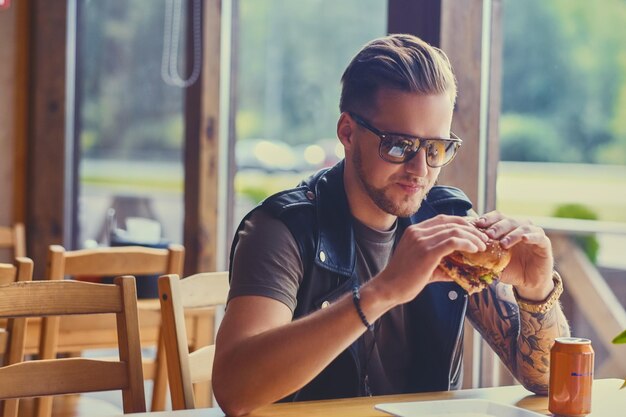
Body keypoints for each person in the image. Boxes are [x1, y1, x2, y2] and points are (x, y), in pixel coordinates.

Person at [213, 34, 570, 416]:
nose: (420, 170)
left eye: (436, 148)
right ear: (348, 133)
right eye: (399, 145)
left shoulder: (447, 222)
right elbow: (235, 391)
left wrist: (536, 291)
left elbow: (548, 384)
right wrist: (383, 291)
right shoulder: (283, 229)